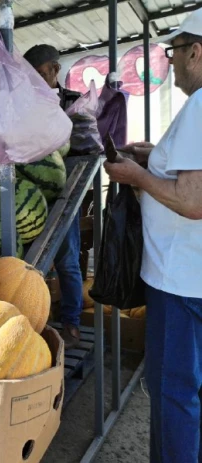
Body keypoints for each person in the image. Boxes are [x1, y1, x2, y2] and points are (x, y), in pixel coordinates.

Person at [104, 9, 202, 462]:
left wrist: (136, 177)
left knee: (172, 391)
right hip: (192, 277)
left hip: (181, 282)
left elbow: (192, 201)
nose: (173, 61)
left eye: (175, 52)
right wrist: (154, 155)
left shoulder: (201, 105)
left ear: (196, 52)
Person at [24, 44, 84, 349]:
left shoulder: (72, 102)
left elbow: (86, 143)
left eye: (41, 72)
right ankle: (40, 324)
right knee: (34, 266)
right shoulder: (22, 106)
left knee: (68, 262)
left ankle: (72, 322)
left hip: (64, 194)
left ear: (54, 69)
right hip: (31, 197)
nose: (36, 78)